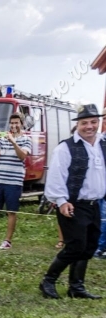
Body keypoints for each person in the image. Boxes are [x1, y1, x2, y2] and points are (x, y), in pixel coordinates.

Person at [39, 103, 106, 299]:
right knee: (76, 246)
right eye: (84, 123)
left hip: (95, 204)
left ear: (98, 122)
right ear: (77, 124)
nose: (89, 126)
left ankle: (76, 287)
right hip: (73, 205)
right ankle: (48, 281)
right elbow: (56, 177)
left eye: (93, 122)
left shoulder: (102, 144)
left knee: (89, 246)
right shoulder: (65, 148)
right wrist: (61, 201)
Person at [0, 113, 32, 249]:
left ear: (21, 124)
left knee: (11, 212)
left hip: (14, 181)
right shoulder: (3, 139)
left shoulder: (26, 139)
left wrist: (13, 142)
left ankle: (7, 241)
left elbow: (22, 156)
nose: (14, 125)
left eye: (16, 123)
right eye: (12, 123)